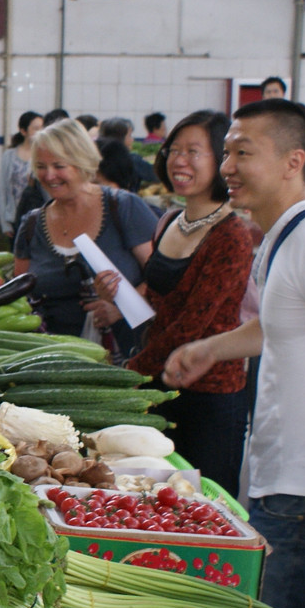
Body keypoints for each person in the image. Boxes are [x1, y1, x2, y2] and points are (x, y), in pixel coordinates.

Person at [164, 99, 305, 608]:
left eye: (242, 153)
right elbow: (278, 325)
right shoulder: (280, 237)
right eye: (226, 152)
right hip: (278, 473)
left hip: (300, 483)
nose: (227, 168)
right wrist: (210, 349)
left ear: (294, 162)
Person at [95, 111, 252, 497]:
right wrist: (119, 298)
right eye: (174, 150)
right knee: (154, 497)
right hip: (158, 380)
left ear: (221, 160)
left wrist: (128, 376)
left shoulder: (232, 234)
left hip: (208, 395)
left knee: (205, 501)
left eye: (194, 151)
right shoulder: (169, 220)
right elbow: (162, 306)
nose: (178, 160)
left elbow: (192, 324)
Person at [13, 118, 156, 358]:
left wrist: (121, 308)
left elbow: (162, 278)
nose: (49, 175)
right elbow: (18, 294)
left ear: (82, 162)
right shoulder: (32, 224)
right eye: (40, 166)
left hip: (125, 357)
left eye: (59, 165)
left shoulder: (124, 208)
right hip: (50, 358)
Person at [0, 111, 43, 237]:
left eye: (42, 128)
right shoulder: (9, 156)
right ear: (23, 131)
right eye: (36, 129)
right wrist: (4, 223)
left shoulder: (44, 156)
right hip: (14, 217)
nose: (40, 132)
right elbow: (3, 190)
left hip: (38, 218)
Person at [100, 116, 157, 186]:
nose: (132, 140)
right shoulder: (132, 160)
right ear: (120, 138)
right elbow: (156, 175)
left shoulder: (96, 158)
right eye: (129, 136)